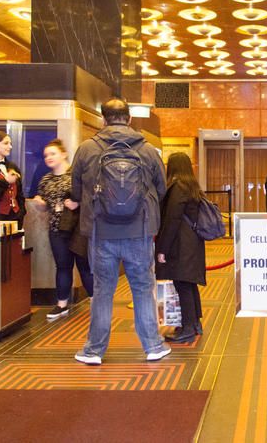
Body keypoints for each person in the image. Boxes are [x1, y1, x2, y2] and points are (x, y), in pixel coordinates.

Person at [70, 97, 169, 365]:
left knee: (103, 290)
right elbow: (162, 189)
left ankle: (94, 351)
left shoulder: (87, 149)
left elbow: (76, 191)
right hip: (139, 231)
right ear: (129, 118)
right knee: (142, 287)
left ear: (103, 119)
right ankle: (153, 346)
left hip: (101, 233)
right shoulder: (148, 151)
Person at [34, 139, 94, 321]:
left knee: (85, 267)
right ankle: (62, 305)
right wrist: (41, 204)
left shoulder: (76, 175)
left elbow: (93, 197)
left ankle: (96, 302)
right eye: (46, 155)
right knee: (62, 266)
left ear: (63, 154)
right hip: (57, 229)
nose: (48, 158)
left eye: (52, 154)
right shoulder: (46, 180)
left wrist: (78, 203)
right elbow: (46, 204)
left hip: (78, 229)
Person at [156, 152, 207, 344]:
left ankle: (187, 327)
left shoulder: (177, 188)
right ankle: (194, 323)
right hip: (192, 243)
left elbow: (172, 220)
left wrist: (162, 249)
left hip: (180, 244)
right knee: (189, 283)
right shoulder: (192, 186)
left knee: (182, 284)